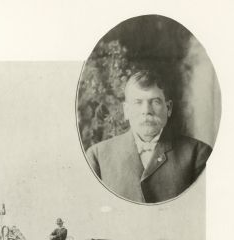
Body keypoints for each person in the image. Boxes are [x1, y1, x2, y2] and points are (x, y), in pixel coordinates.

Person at [85, 70, 212, 204]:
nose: (146, 110)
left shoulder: (198, 154)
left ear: (168, 108)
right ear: (126, 111)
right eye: (138, 102)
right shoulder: (97, 156)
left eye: (155, 102)